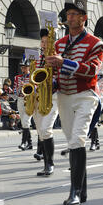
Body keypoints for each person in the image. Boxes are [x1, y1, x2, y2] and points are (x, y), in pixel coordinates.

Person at [46, 0, 103, 205]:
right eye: (68, 14)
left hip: (85, 95)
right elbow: (49, 70)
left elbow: (91, 71)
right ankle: (82, 190)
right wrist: (47, 80)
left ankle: (74, 192)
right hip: (64, 97)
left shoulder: (95, 43)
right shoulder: (58, 44)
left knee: (78, 138)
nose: (68, 18)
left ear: (83, 18)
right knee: (72, 141)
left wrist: (63, 64)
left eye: (73, 15)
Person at [32, 27, 60, 176]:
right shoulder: (37, 58)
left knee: (46, 128)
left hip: (53, 96)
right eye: (42, 41)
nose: (43, 44)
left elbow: (60, 75)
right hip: (38, 96)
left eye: (46, 41)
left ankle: (50, 164)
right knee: (40, 131)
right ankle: (45, 163)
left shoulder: (55, 56)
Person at [14, 56, 33, 150]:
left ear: (29, 68)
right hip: (21, 99)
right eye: (22, 67)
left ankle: (24, 143)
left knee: (26, 121)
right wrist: (17, 89)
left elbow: (35, 88)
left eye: (25, 67)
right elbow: (15, 92)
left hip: (30, 100)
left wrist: (25, 85)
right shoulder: (17, 78)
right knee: (24, 122)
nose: (23, 69)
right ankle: (30, 143)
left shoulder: (32, 76)